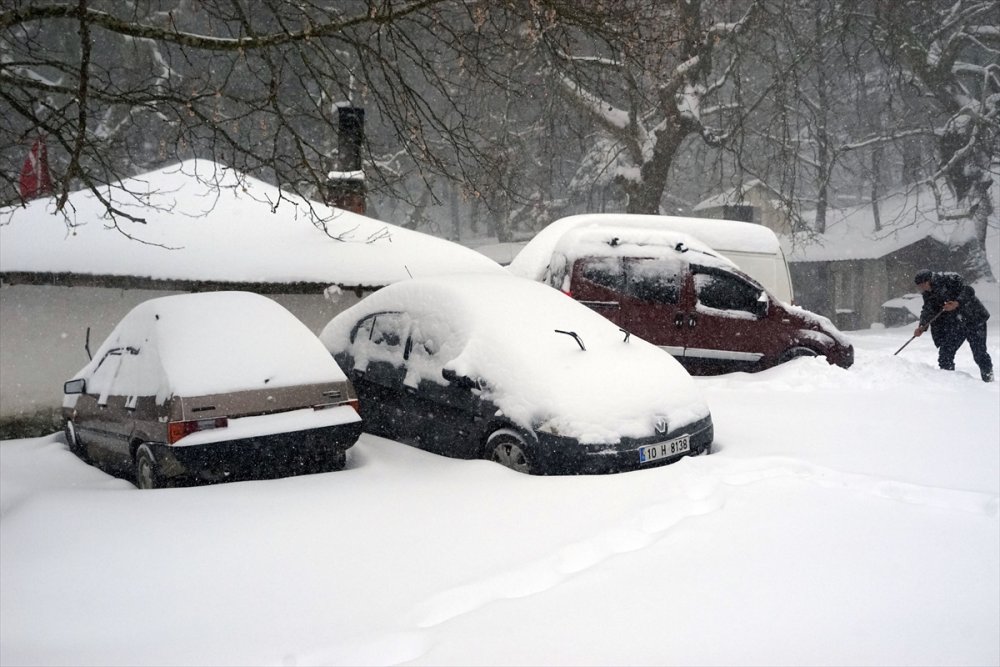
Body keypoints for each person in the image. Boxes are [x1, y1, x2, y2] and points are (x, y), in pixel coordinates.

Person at [912, 269, 994, 382]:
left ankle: (988, 378)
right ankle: (949, 382)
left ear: (927, 281)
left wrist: (957, 303)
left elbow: (968, 290)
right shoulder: (927, 293)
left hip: (974, 319)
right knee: (945, 353)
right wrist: (922, 326)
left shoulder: (950, 279)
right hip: (957, 324)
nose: (920, 289)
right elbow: (928, 309)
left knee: (979, 354)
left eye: (921, 285)